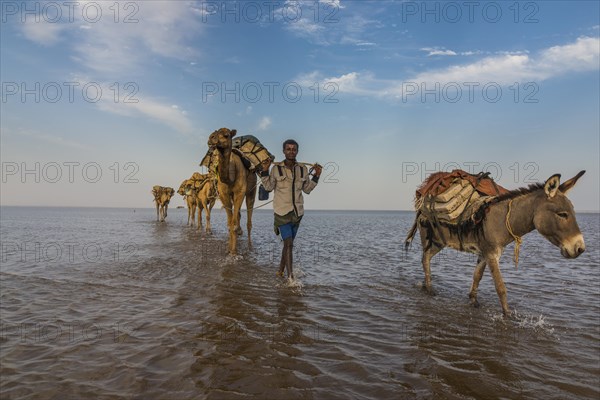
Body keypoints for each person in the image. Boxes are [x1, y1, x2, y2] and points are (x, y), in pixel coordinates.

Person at [260, 139, 322, 280]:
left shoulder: (303, 169)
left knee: (288, 245)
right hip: (281, 213)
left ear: (297, 151)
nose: (291, 151)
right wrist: (265, 170)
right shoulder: (276, 169)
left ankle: (280, 272)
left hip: (297, 214)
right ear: (283, 151)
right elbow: (268, 187)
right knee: (288, 244)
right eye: (288, 149)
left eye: (294, 149)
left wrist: (317, 176)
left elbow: (306, 190)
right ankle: (291, 278)